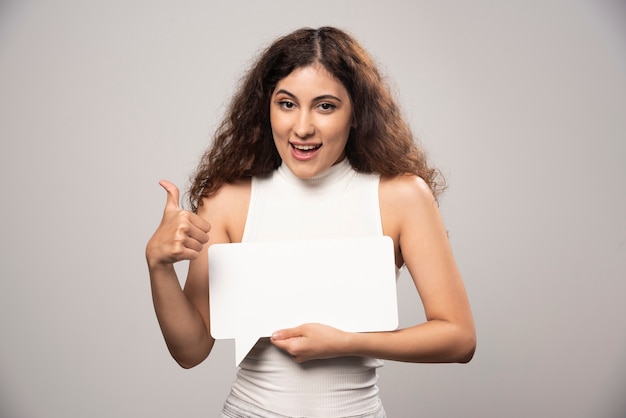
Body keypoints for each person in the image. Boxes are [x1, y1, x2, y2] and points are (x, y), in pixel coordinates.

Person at [146, 26, 475, 418]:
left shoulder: (401, 197)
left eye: (325, 106)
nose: (302, 128)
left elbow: (459, 338)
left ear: (356, 114)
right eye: (286, 104)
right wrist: (159, 265)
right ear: (265, 107)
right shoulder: (229, 201)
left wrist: (349, 341)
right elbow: (191, 351)